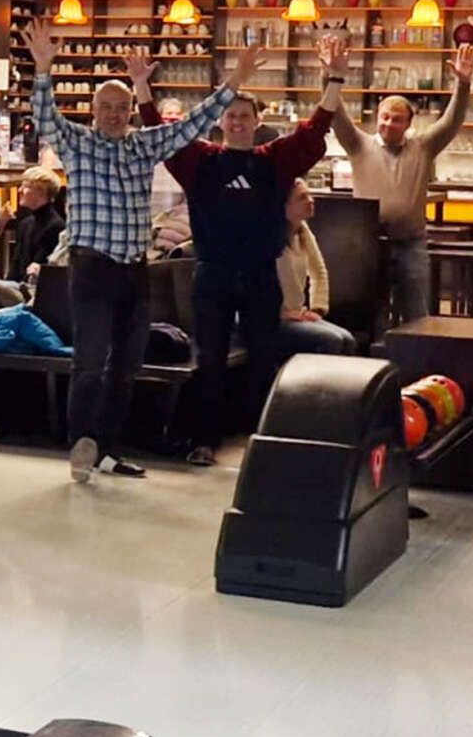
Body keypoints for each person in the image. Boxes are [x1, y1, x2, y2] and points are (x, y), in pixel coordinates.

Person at [28, 17, 260, 483]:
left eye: (122, 106)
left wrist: (234, 82)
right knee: (89, 362)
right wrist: (43, 70)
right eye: (106, 107)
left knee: (127, 367)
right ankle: (81, 443)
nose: (114, 114)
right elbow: (44, 118)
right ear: (94, 111)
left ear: (133, 109)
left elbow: (195, 122)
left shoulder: (146, 144)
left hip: (136, 271)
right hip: (91, 268)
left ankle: (108, 447)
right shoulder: (76, 143)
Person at [140, 36, 344, 467]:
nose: (236, 123)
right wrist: (142, 87)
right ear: (221, 122)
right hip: (212, 275)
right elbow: (160, 134)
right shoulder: (201, 160)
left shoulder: (273, 160)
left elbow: (316, 128)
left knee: (262, 360)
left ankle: (261, 441)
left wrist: (335, 78)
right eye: (230, 116)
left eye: (244, 117)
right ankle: (203, 441)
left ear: (256, 122)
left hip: (258, 276)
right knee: (209, 360)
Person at [330, 45, 473, 330]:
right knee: (372, 314)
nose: (388, 123)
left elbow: (452, 121)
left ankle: (415, 368)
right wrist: (331, 76)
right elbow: (336, 114)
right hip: (368, 246)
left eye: (397, 119)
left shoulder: (423, 146)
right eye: (384, 117)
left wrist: (464, 83)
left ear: (409, 123)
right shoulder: (359, 144)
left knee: (416, 316)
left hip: (411, 244)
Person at [277, 179, 358, 356]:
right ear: (285, 206)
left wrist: (316, 308)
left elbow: (318, 271)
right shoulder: (271, 236)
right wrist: (279, 314)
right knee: (332, 340)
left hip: (297, 314)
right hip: (275, 319)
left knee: (348, 340)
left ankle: (340, 384)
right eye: (302, 198)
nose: (311, 200)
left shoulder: (303, 232)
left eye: (310, 195)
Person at [1, 167, 66, 290]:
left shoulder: (56, 226)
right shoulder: (25, 223)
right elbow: (16, 265)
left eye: (25, 186)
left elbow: (40, 268)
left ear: (40, 191)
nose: (19, 190)